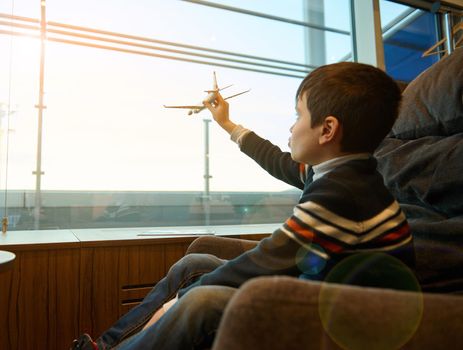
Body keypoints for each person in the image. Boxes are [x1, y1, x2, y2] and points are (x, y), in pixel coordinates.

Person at [71, 62, 415, 350]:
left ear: (327, 130)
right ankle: (107, 344)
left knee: (198, 302)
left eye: (297, 116)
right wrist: (228, 125)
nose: (291, 128)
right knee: (194, 264)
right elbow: (279, 161)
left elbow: (269, 260)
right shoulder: (336, 171)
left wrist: (178, 300)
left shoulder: (342, 194)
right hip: (320, 289)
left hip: (342, 320)